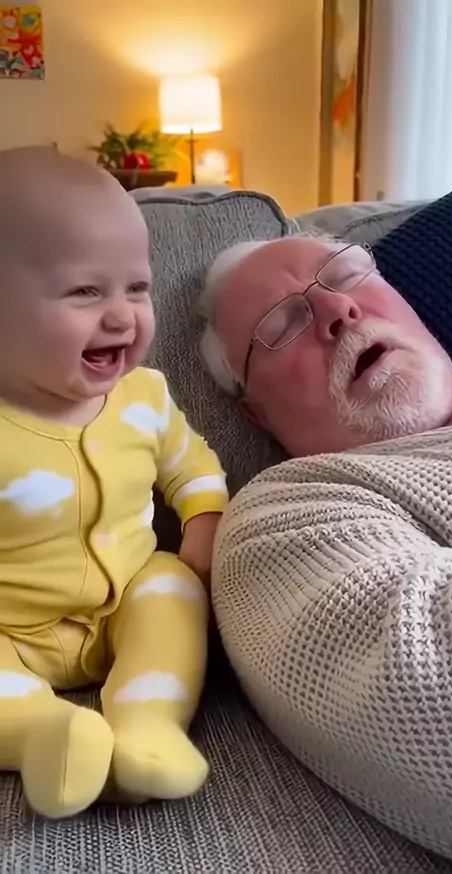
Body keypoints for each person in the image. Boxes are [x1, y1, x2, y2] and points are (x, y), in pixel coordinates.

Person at [198, 236, 452, 867]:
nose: (336, 310)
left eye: (347, 274)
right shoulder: (286, 517)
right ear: (257, 416)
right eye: (282, 326)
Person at [0, 147, 228, 820]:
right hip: (9, 632)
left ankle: (146, 726)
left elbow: (192, 464)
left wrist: (204, 518)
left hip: (125, 605)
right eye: (85, 292)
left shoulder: (144, 397)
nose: (123, 316)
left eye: (137, 288)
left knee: (172, 585)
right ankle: (43, 734)